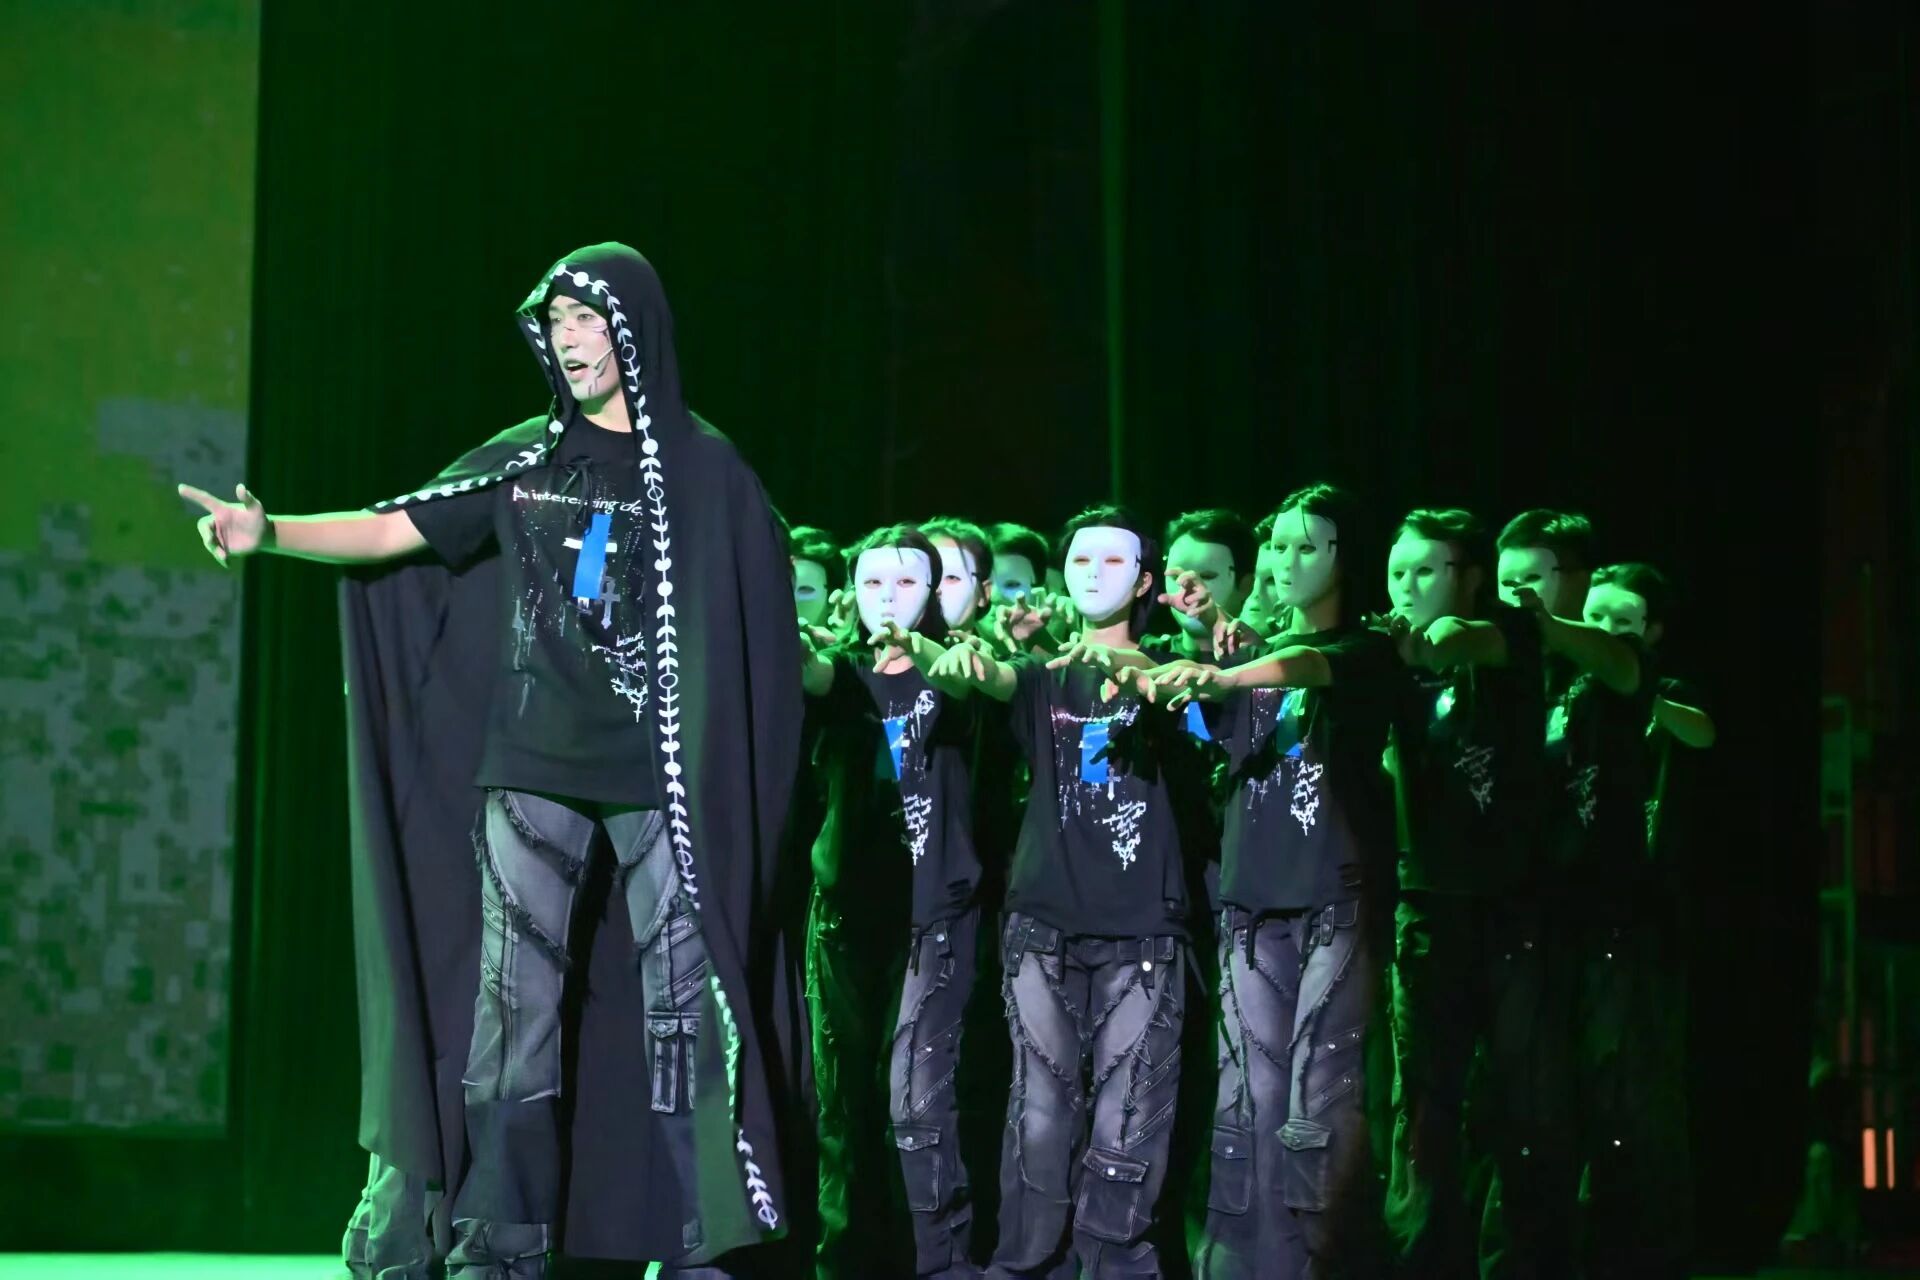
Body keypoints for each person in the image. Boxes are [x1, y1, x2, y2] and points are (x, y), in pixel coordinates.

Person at [179, 243, 804, 1279]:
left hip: (662, 785)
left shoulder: (705, 470)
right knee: (515, 1010)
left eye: (588, 319)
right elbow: (392, 531)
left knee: (681, 1010)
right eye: (555, 321)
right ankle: (502, 1242)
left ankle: (700, 1240)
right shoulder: (523, 460)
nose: (569, 339)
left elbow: (758, 627)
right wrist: (269, 530)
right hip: (532, 770)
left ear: (634, 329)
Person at [932, 505, 1209, 1279]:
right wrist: (967, 657)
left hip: (1144, 928)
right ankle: (1026, 1264)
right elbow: (990, 676)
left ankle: (1115, 1266)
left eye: (1112, 561)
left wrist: (1163, 671)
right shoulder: (1041, 673)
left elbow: (1204, 716)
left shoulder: (1172, 672)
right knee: (1040, 1117)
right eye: (1080, 560)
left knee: (1130, 1122)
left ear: (1145, 581)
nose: (1092, 573)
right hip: (1042, 924)